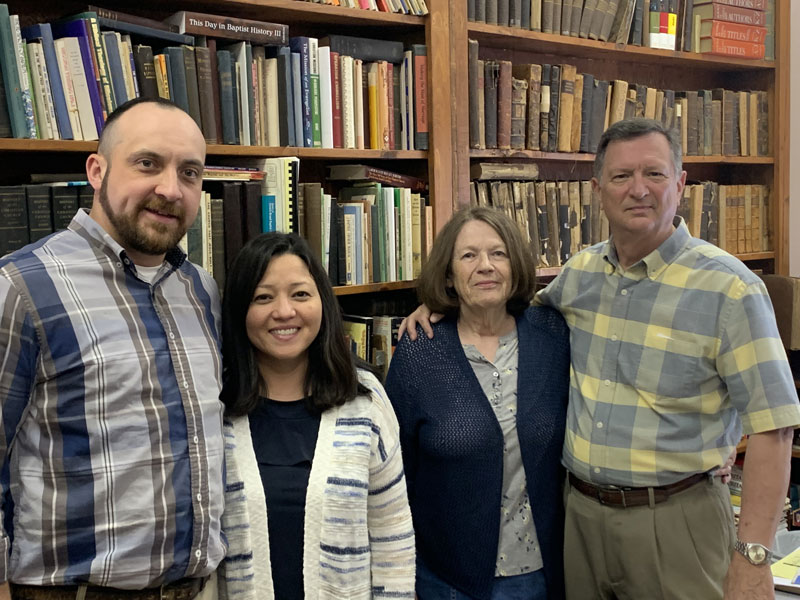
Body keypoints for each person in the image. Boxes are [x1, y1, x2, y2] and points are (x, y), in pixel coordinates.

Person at [402, 118, 800, 600]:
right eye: (621, 176)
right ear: (597, 189)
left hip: (677, 521)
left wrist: (753, 556)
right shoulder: (579, 277)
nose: (638, 190)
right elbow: (506, 308)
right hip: (580, 524)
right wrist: (440, 305)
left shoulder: (731, 290)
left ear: (680, 183)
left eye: (654, 174)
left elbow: (773, 426)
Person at [0, 97, 224, 600]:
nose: (170, 188)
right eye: (148, 163)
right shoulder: (21, 287)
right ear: (97, 171)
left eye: (189, 172)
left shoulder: (201, 290)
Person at [385, 207, 570, 600]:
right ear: (449, 275)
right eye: (468, 255)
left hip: (540, 574)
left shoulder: (553, 337)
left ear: (515, 264)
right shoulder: (420, 351)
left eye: (498, 253)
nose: (485, 266)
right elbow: (395, 476)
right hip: (446, 580)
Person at [217, 232, 415, 599]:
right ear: (240, 310)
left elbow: (393, 534)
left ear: (322, 301)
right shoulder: (216, 409)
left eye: (300, 294)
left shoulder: (366, 402)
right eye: (263, 297)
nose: (284, 311)